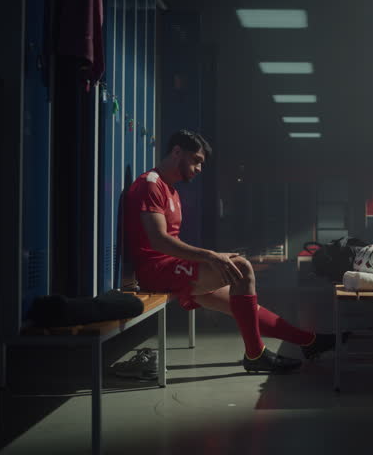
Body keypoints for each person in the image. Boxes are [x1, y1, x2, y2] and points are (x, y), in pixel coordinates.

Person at [122, 129, 338, 373]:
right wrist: (211, 256)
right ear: (176, 152)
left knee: (242, 304)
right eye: (196, 161)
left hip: (172, 267)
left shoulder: (171, 189)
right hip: (156, 271)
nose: (199, 168)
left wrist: (212, 257)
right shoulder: (151, 185)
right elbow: (159, 241)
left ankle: (309, 341)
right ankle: (255, 355)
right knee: (242, 268)